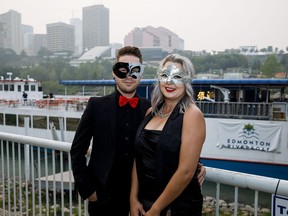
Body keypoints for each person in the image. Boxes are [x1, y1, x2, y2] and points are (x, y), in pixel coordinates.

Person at [70, 46, 206, 216]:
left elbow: (176, 144)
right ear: (114, 73)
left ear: (142, 74)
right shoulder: (97, 106)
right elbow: (77, 149)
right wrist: (88, 190)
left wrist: (196, 167)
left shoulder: (150, 109)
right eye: (122, 69)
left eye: (135, 70)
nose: (128, 75)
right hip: (104, 199)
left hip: (142, 201)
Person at [130, 54, 206, 216]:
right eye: (165, 75)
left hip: (176, 206)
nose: (169, 81)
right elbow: (139, 158)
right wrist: (133, 198)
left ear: (187, 80)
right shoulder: (151, 112)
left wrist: (157, 209)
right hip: (145, 203)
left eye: (177, 76)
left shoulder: (192, 115)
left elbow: (186, 172)